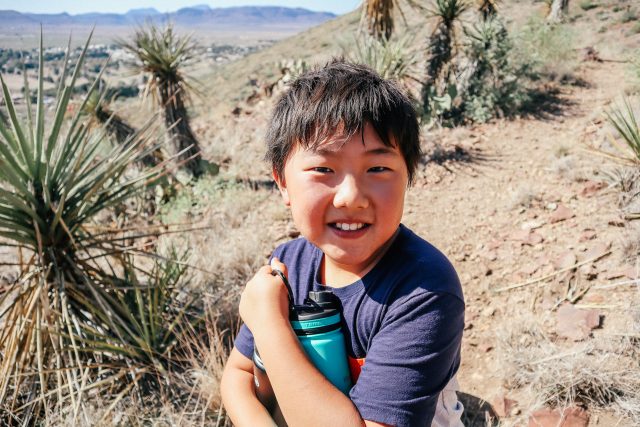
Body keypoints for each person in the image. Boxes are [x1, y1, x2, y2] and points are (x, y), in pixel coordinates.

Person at [220, 60, 465, 427]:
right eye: (323, 169)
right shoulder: (288, 265)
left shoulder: (424, 290)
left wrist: (269, 323)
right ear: (282, 182)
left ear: (408, 176)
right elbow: (237, 377)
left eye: (378, 169)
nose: (351, 196)